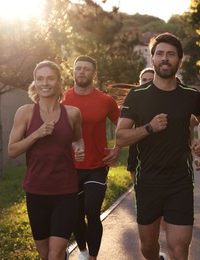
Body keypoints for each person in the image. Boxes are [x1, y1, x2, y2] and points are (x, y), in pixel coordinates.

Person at [116, 32, 200, 260]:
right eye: (159, 54)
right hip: (148, 180)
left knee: (179, 249)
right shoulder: (137, 95)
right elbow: (120, 137)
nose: (165, 58)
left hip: (180, 181)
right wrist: (148, 127)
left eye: (170, 54)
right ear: (152, 59)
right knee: (148, 246)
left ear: (179, 59)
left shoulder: (191, 95)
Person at [8, 60, 85, 260]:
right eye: (40, 78)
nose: (45, 83)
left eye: (50, 78)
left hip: (65, 192)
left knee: (55, 252)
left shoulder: (72, 113)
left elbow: (77, 138)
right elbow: (12, 150)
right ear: (34, 82)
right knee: (44, 254)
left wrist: (79, 148)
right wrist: (36, 134)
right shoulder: (25, 113)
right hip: (36, 192)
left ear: (59, 82)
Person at [62, 55, 121, 260]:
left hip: (97, 164)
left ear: (94, 74)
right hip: (70, 167)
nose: (81, 72)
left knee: (92, 210)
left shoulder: (105, 100)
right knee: (76, 214)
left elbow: (123, 124)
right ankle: (83, 252)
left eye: (86, 69)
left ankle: (93, 257)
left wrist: (118, 148)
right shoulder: (63, 98)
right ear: (74, 71)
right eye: (78, 68)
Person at [126, 67, 155, 182]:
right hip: (137, 146)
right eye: (144, 80)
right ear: (139, 83)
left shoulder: (165, 100)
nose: (147, 83)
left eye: (150, 80)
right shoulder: (133, 101)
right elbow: (123, 130)